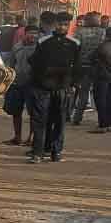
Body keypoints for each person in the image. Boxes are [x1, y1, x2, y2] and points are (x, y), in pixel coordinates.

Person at [27, 12, 80, 163]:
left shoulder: (74, 43)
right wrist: (39, 80)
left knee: (60, 121)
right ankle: (38, 152)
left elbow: (77, 67)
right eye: (60, 24)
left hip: (62, 89)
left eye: (65, 25)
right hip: (43, 88)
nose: (62, 27)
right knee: (40, 121)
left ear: (69, 26)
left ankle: (56, 152)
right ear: (55, 24)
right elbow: (34, 62)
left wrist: (73, 84)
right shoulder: (43, 41)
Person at [2, 25, 39, 146]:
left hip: (32, 85)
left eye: (35, 33)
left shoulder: (40, 48)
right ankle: (17, 137)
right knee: (15, 112)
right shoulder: (17, 47)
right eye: (30, 33)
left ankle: (31, 138)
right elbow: (11, 65)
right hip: (17, 84)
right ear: (25, 34)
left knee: (33, 113)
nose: (33, 35)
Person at [71, 12, 105, 125]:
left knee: (83, 93)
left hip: (83, 66)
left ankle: (77, 118)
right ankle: (102, 119)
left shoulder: (79, 32)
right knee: (100, 94)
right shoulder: (103, 32)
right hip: (99, 67)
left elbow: (75, 48)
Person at [91, 27, 111, 134]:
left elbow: (91, 58)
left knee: (101, 100)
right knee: (109, 100)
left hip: (102, 77)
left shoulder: (102, 46)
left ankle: (103, 124)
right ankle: (108, 123)